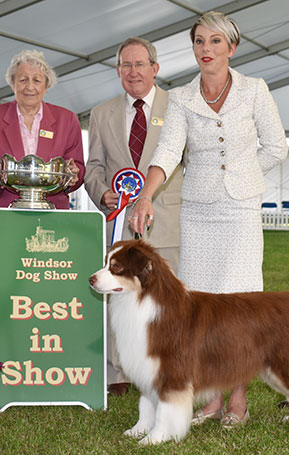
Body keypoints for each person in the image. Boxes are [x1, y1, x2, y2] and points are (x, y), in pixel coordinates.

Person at [129, 11, 287, 427]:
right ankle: (213, 400)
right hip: (197, 213)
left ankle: (238, 401)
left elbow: (275, 146)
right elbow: (168, 153)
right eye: (200, 41)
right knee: (201, 309)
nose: (206, 49)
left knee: (239, 307)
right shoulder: (181, 98)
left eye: (215, 42)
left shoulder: (255, 90)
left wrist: (241, 175)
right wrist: (146, 194)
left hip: (240, 211)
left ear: (231, 48)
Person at [84, 37, 183, 396]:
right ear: (117, 71)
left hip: (167, 220)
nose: (133, 72)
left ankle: (166, 367)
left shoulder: (179, 106)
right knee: (117, 297)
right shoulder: (101, 113)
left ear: (155, 69)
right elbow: (92, 167)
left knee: (166, 300)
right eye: (126, 65)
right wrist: (102, 193)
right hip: (119, 224)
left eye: (140, 64)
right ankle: (117, 373)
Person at [0, 50, 84, 207]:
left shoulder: (67, 120)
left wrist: (73, 175)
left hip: (53, 211)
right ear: (13, 83)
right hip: (4, 211)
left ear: (46, 85)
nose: (30, 87)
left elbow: (77, 166)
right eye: (23, 80)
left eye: (37, 80)